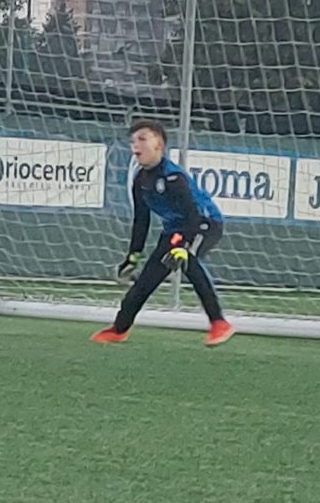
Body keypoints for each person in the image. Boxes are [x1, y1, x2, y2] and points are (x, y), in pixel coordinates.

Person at [91, 119, 235, 347]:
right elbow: (142, 220)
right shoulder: (140, 180)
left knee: (189, 259)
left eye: (142, 139)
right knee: (146, 279)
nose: (135, 146)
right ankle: (119, 329)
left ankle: (219, 322)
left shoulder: (173, 178)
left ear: (158, 144)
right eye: (132, 141)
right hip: (175, 231)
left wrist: (182, 246)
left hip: (204, 224)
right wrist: (132, 256)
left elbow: (193, 216)